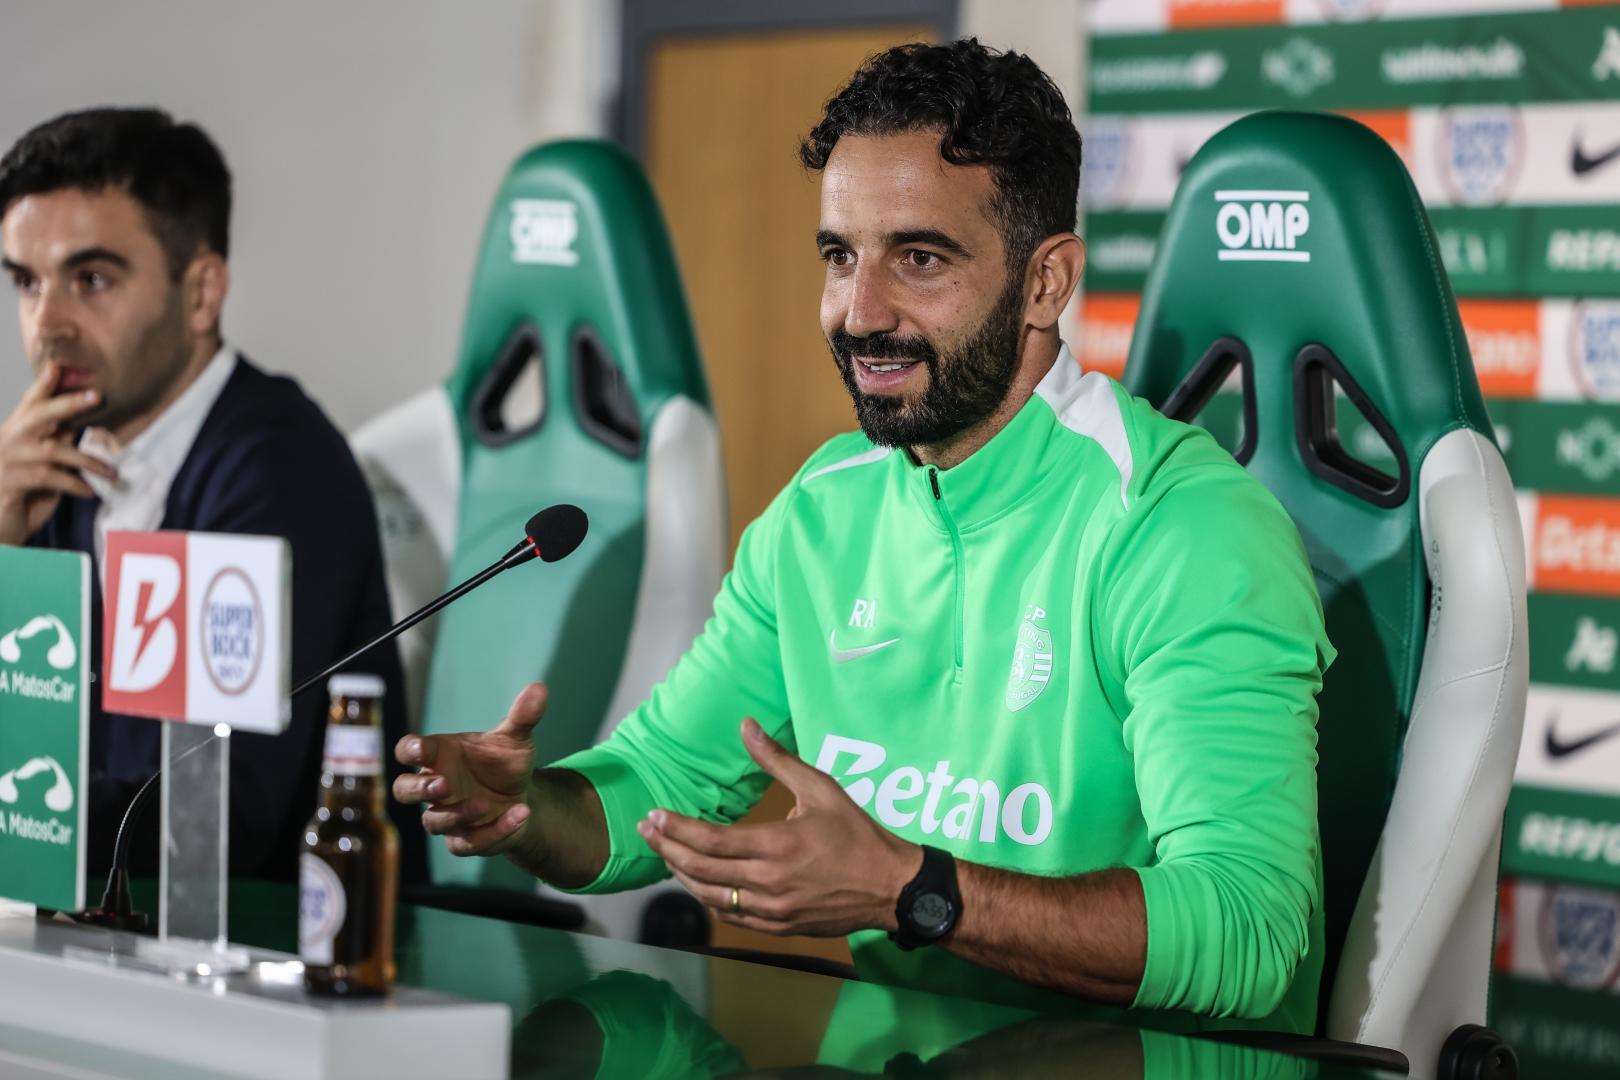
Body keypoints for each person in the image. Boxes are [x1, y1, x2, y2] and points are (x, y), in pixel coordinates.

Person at [395, 40, 1333, 1032]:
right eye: (840, 256)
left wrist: (909, 890)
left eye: (919, 259)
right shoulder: (819, 512)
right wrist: (528, 807)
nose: (858, 312)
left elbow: (1249, 934)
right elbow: (661, 789)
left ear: (1047, 284)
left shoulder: (1182, 527)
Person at [0, 107, 422, 883]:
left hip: (295, 960)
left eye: (90, 280)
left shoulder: (274, 472)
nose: (46, 326)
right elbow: (29, 754)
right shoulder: (45, 466)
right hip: (97, 938)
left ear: (201, 294)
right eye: (27, 282)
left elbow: (207, 829)